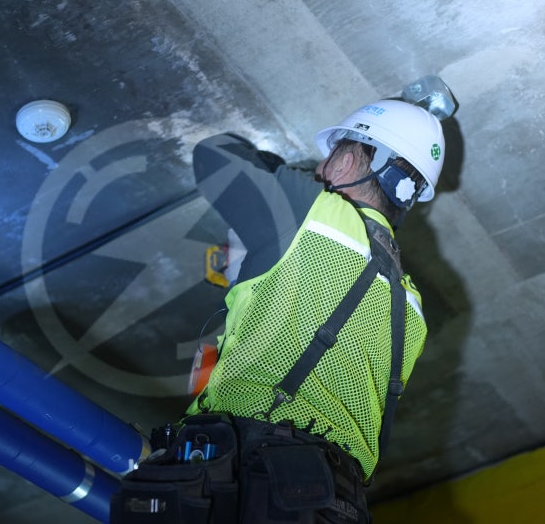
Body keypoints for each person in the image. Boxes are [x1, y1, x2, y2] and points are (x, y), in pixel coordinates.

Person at [182, 98, 446, 522]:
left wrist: (283, 172)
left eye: (330, 157)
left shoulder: (312, 211)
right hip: (335, 501)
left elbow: (212, 155)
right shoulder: (411, 307)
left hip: (252, 476)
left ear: (345, 162)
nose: (321, 168)